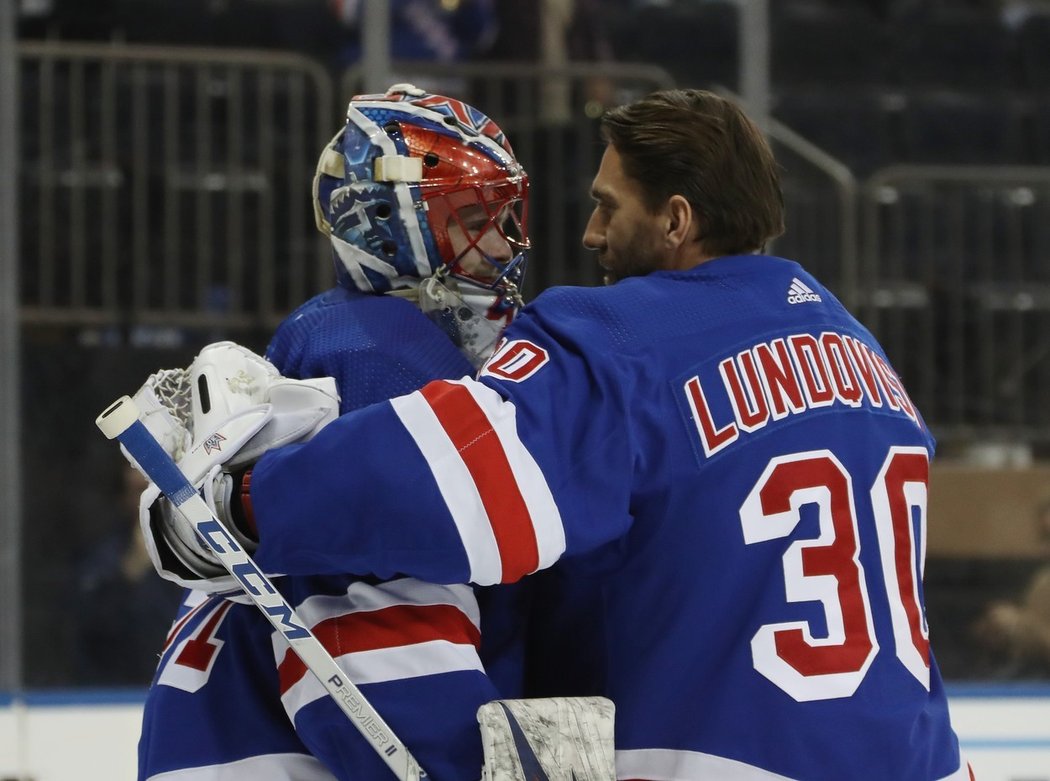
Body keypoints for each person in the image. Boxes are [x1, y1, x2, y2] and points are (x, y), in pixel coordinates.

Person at [157, 88, 973, 780]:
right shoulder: (866, 356)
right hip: (924, 754)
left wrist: (243, 501)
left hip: (731, 755)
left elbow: (452, 478)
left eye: (607, 207)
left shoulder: (624, 337)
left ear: (676, 220)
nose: (584, 235)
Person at [136, 84, 530, 781]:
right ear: (386, 221)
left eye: (503, 216)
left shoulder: (344, 337)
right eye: (472, 217)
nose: (502, 243)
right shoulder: (381, 355)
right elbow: (375, 663)